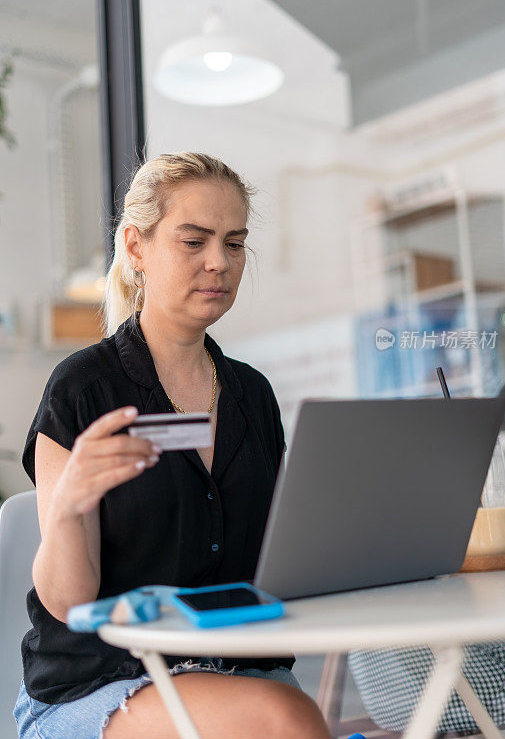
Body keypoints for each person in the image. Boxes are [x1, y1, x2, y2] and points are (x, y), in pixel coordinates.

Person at [13, 152, 332, 739]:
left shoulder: (251, 395)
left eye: (234, 244)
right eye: (195, 241)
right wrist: (69, 509)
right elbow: (67, 604)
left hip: (237, 672)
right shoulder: (84, 390)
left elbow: (272, 563)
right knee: (286, 719)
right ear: (136, 247)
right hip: (103, 684)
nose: (220, 262)